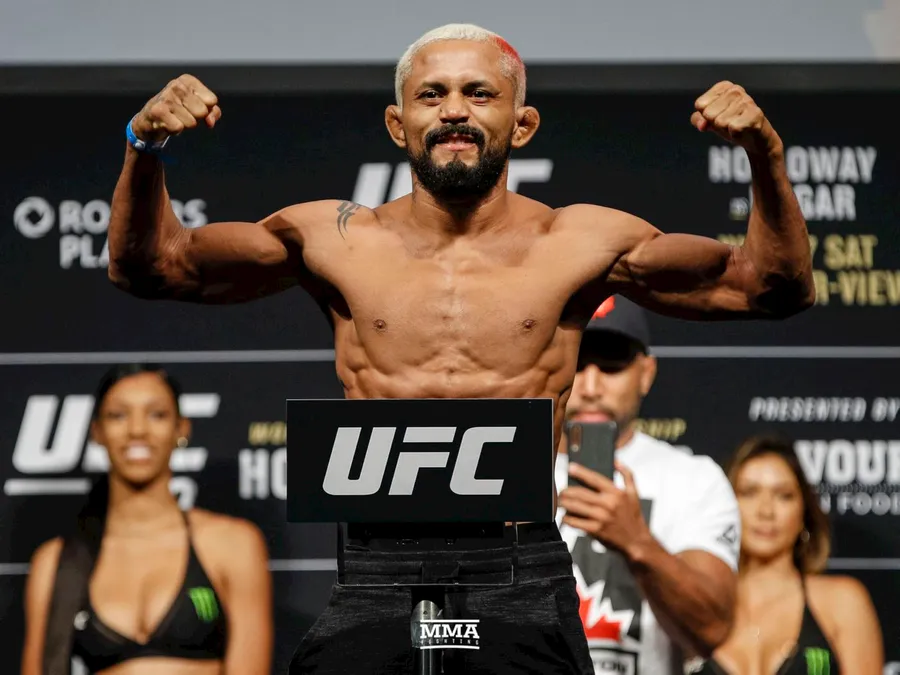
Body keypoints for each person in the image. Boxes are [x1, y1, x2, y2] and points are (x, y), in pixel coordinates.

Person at [106, 21, 813, 675]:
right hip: (376, 568)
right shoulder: (332, 239)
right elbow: (152, 267)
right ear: (398, 123)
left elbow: (770, 287)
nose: (453, 110)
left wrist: (766, 155)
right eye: (431, 94)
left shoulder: (579, 243)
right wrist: (144, 147)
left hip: (518, 567)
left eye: (479, 93)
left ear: (522, 123)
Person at [20, 364, 273, 675]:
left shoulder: (232, 544)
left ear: (182, 429)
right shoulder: (55, 563)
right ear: (97, 432)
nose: (137, 430)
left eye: (157, 415)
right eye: (118, 415)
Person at [554, 295, 741, 675]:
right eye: (577, 362)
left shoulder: (694, 480)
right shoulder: (509, 472)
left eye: (612, 364)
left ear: (646, 373)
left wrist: (637, 542)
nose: (590, 386)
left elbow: (710, 631)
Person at [688, 434, 883, 675]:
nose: (766, 511)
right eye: (749, 493)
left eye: (784, 496)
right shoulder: (693, 603)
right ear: (726, 505)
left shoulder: (841, 602)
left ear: (804, 514)